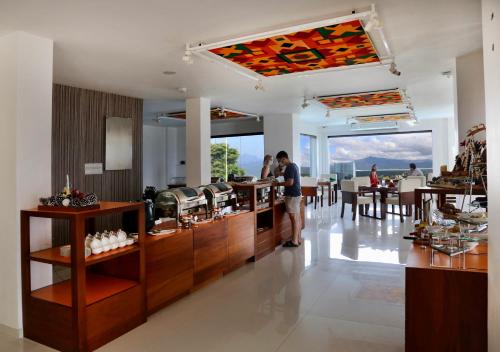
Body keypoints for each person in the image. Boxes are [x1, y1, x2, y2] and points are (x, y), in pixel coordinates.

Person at [275, 151, 302, 247]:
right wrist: (280, 173)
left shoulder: (290, 167)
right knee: (297, 218)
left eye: (279, 161)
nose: (279, 163)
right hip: (296, 194)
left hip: (292, 195)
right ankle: (298, 239)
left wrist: (278, 184)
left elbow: (290, 182)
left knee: (293, 219)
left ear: (283, 159)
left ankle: (294, 241)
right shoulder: (293, 166)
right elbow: (286, 175)